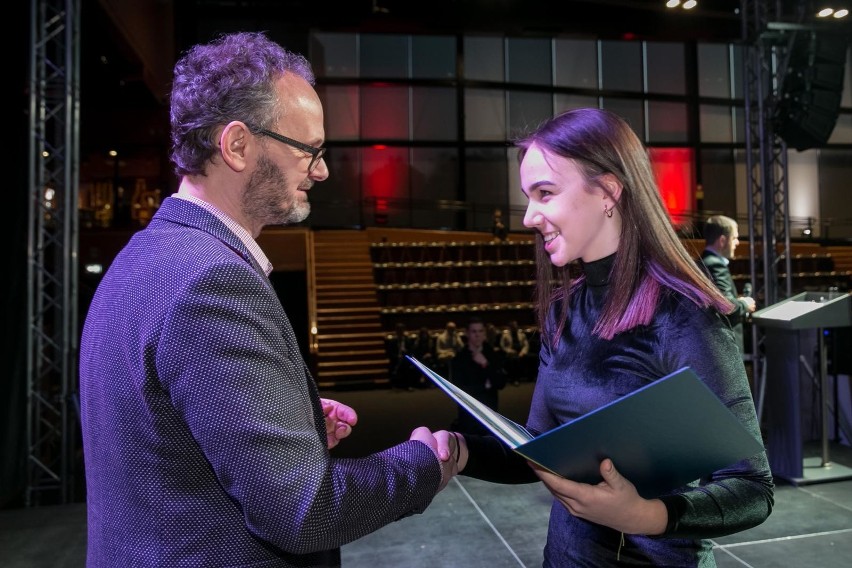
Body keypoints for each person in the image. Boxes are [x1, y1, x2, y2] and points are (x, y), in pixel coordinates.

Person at [78, 31, 459, 568]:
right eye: (309, 150)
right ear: (236, 145)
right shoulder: (212, 282)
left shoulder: (141, 257)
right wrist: (423, 464)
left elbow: (163, 440)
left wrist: (284, 422)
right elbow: (303, 513)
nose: (322, 171)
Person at [450, 108, 774, 566]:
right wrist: (458, 451)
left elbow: (753, 488)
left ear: (607, 191)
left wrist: (647, 515)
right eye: (528, 196)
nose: (528, 217)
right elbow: (540, 450)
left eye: (545, 193)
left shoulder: (684, 315)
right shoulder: (563, 309)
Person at [699, 215, 757, 355]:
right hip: (726, 348)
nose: (737, 243)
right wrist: (745, 304)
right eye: (734, 238)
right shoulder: (716, 265)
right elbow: (726, 305)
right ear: (722, 240)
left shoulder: (703, 261)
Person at [449, 317, 507, 436]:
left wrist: (485, 364)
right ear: (467, 333)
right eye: (474, 331)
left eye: (480, 331)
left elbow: (501, 383)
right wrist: (486, 386)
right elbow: (457, 390)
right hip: (468, 416)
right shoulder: (459, 359)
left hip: (491, 415)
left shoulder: (492, 355)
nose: (477, 335)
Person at [499, 320, 531, 384]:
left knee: (527, 358)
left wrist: (523, 352)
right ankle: (515, 379)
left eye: (515, 325)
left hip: (521, 352)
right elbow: (502, 346)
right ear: (510, 327)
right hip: (511, 352)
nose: (514, 327)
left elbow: (526, 345)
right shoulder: (505, 335)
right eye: (512, 326)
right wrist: (510, 351)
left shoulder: (522, 334)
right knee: (513, 360)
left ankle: (527, 377)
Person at [386, 322, 414, 390]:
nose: (400, 332)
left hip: (405, 358)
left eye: (401, 330)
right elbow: (390, 352)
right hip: (396, 358)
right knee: (394, 365)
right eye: (399, 330)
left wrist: (406, 354)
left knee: (407, 365)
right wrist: (396, 356)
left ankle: (408, 385)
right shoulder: (393, 341)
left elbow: (411, 351)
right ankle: (395, 385)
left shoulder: (407, 340)